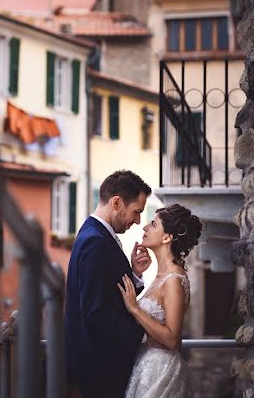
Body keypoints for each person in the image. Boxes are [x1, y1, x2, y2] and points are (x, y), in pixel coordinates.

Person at [65, 170, 152, 398]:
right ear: (116, 203)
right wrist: (145, 335)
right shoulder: (96, 242)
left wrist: (134, 274)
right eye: (136, 212)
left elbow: (108, 295)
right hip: (100, 369)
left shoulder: (94, 234)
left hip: (98, 366)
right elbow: (96, 312)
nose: (138, 221)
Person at [119, 204, 203, 397]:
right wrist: (137, 272)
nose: (145, 228)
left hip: (161, 370)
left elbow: (173, 340)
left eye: (153, 224)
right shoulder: (160, 276)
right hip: (146, 364)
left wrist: (135, 309)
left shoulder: (173, 280)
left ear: (167, 237)